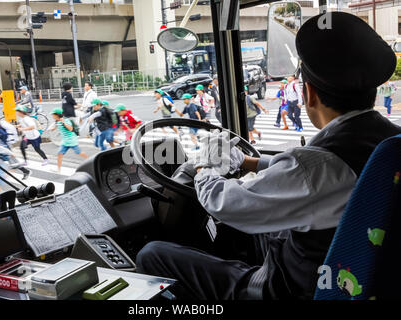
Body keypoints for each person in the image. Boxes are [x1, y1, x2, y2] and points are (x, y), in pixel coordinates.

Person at [135, 12, 401, 300]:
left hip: (287, 291)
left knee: (153, 254)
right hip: (362, 275)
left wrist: (204, 165)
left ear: (308, 94)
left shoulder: (316, 167)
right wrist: (247, 162)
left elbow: (221, 203)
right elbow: (315, 174)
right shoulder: (389, 140)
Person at [0, 111, 31, 180]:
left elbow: (4, 134)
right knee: (5, 161)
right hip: (1, 146)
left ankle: (26, 171)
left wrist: (3, 143)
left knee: (12, 161)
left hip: (4, 146)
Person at [49, 108, 88, 173]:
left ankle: (90, 160)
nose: (52, 116)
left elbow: (70, 129)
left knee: (79, 153)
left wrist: (63, 122)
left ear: (57, 115)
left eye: (53, 114)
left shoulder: (65, 120)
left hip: (72, 140)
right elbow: (57, 126)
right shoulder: (57, 121)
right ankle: (58, 170)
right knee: (59, 154)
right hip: (65, 141)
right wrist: (53, 129)